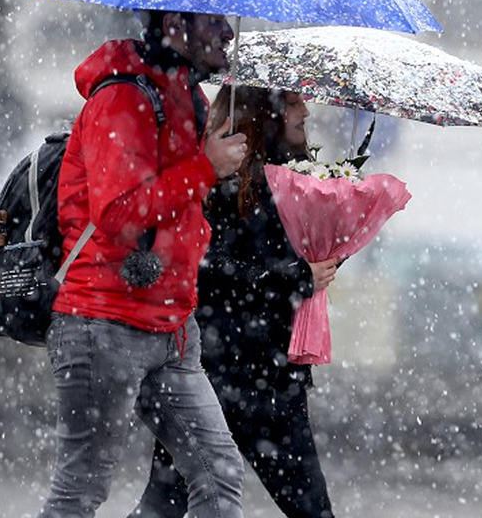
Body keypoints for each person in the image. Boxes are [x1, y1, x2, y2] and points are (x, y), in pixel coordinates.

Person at [38, 11, 249, 518]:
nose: (228, 31)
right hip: (103, 321)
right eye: (212, 21)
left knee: (219, 475)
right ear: (175, 24)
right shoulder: (124, 97)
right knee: (79, 492)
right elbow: (117, 213)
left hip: (173, 326)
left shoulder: (188, 98)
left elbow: (181, 205)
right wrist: (205, 168)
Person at [129, 85, 339, 518]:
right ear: (267, 112)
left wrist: (331, 251)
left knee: (311, 510)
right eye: (296, 102)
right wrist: (295, 278)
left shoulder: (299, 180)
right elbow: (209, 269)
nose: (307, 111)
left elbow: (284, 266)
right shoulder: (221, 179)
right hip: (218, 373)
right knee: (164, 503)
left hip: (273, 377)